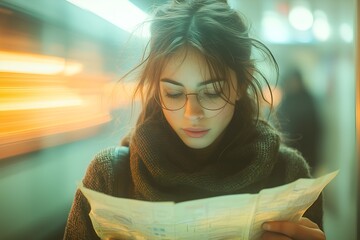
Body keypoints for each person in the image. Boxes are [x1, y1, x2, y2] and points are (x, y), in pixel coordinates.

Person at [64, 0, 325, 239]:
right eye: (174, 93)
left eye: (211, 93)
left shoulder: (289, 177)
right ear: (157, 90)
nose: (192, 114)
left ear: (241, 83)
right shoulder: (109, 178)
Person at [276, 68, 322, 174]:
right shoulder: (287, 99)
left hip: (307, 151)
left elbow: (311, 126)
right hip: (289, 151)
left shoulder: (307, 100)